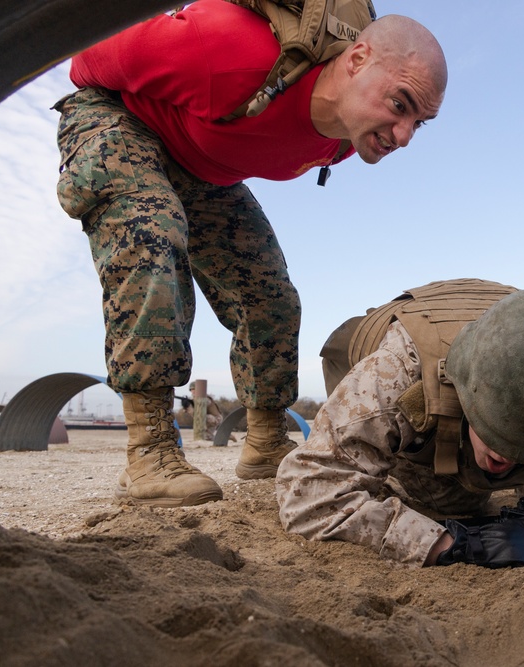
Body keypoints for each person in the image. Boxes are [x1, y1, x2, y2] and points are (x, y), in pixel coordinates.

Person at [52, 0, 448, 508]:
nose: (404, 137)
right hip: (118, 118)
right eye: (400, 105)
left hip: (201, 166)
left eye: (421, 122)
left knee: (271, 294)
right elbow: (89, 57)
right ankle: (149, 451)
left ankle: (265, 442)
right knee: (152, 233)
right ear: (356, 59)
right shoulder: (228, 53)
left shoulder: (347, 138)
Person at [275, 279, 524, 568]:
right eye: (497, 434)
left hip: (513, 354)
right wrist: (452, 543)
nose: (505, 457)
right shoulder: (394, 376)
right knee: (450, 506)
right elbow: (307, 493)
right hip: (408, 391)